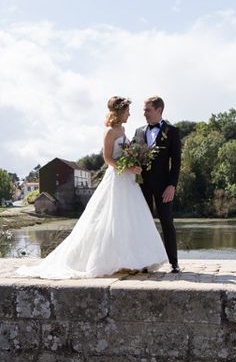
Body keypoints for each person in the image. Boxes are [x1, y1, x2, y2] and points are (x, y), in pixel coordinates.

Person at [16, 96, 167, 279]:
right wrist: (128, 166)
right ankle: (112, 261)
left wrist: (134, 161)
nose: (130, 114)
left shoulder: (123, 129)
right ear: (120, 112)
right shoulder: (109, 132)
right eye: (128, 111)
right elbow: (108, 160)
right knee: (111, 218)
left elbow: (124, 153)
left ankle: (131, 261)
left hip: (128, 180)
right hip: (117, 178)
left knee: (129, 219)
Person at [133, 96, 182, 273]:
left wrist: (172, 185)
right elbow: (132, 156)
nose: (144, 113)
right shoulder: (138, 132)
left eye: (148, 110)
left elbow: (176, 163)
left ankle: (174, 262)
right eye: (144, 110)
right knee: (144, 223)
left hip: (164, 187)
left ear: (159, 110)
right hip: (142, 186)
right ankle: (145, 262)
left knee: (167, 223)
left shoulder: (172, 131)